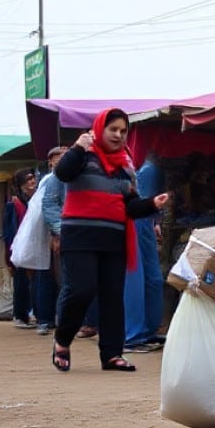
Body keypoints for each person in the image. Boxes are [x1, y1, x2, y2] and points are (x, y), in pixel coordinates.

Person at [51, 109, 168, 373]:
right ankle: (62, 339)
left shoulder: (126, 165)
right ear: (99, 128)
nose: (118, 135)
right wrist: (79, 147)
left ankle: (112, 354)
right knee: (81, 290)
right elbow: (63, 174)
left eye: (123, 131)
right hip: (79, 237)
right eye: (112, 129)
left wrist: (151, 204)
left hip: (113, 240)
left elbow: (130, 206)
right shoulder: (82, 155)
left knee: (113, 297)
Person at [123, 150, 166, 352]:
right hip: (135, 221)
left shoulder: (150, 167)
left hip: (145, 221)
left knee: (153, 280)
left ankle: (147, 330)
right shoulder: (147, 168)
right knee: (135, 279)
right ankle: (133, 335)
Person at [2, 168, 38, 329]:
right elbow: (9, 231)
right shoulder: (14, 203)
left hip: (34, 245)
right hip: (19, 247)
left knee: (34, 282)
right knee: (21, 281)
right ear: (21, 184)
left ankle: (31, 313)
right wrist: (11, 253)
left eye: (33, 178)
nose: (32, 181)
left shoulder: (36, 200)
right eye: (28, 179)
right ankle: (20, 315)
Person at [38, 146, 68, 335]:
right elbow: (48, 207)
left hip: (74, 234)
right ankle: (51, 320)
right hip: (58, 236)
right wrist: (58, 233)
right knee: (61, 281)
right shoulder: (52, 180)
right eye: (57, 158)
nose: (61, 161)